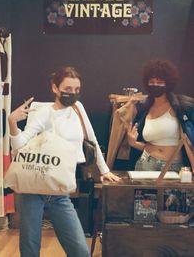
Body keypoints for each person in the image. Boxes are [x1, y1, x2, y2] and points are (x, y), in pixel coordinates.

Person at [8, 66, 120, 257]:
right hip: (33, 189)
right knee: (30, 249)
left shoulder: (78, 108)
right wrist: (12, 122)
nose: (73, 94)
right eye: (68, 89)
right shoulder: (44, 113)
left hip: (60, 189)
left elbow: (92, 140)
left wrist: (104, 170)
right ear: (55, 88)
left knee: (79, 250)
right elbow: (19, 146)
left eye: (76, 90)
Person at [127, 59, 194, 172]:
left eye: (160, 81)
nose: (155, 85)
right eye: (152, 81)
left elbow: (187, 140)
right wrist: (133, 143)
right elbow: (147, 145)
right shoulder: (143, 109)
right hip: (146, 163)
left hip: (173, 166)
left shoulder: (180, 106)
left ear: (168, 83)